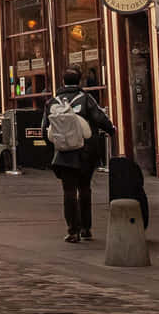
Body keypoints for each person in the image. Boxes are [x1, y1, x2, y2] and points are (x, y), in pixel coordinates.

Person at [48, 67, 117, 243]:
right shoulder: (86, 99)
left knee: (68, 191)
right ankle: (86, 228)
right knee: (84, 189)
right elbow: (100, 118)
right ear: (79, 82)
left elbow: (44, 130)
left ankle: (72, 230)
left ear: (62, 81)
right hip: (86, 152)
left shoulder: (52, 102)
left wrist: (59, 143)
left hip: (63, 154)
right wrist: (111, 130)